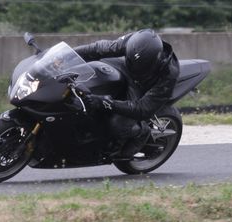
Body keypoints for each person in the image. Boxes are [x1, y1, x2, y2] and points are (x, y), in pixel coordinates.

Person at [73, 29, 180, 159]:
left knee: (117, 125)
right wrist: (67, 56)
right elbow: (98, 49)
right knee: (92, 72)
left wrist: (106, 103)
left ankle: (142, 132)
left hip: (143, 87)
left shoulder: (169, 75)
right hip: (124, 66)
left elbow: (143, 109)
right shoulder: (134, 44)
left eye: (140, 64)